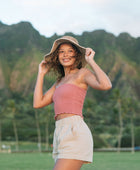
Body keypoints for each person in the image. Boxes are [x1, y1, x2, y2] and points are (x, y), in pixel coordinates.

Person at [33, 36, 112, 170]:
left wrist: (91, 61)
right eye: (61, 51)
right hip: (60, 132)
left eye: (70, 51)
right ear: (57, 56)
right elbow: (37, 103)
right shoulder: (59, 82)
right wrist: (41, 74)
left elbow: (106, 85)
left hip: (75, 131)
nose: (65, 55)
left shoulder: (82, 73)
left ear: (76, 55)